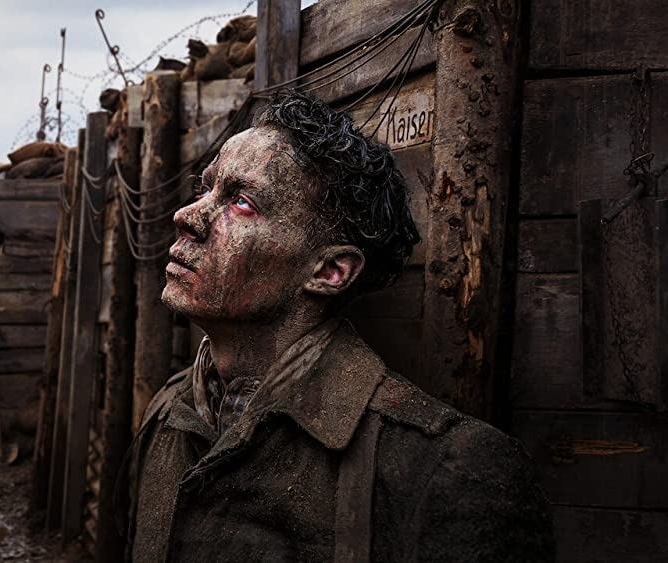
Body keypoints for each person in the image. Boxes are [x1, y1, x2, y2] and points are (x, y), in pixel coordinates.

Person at [126, 90, 554, 562]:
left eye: (241, 202)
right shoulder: (165, 413)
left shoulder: (445, 469)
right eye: (204, 189)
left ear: (329, 272)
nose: (186, 216)